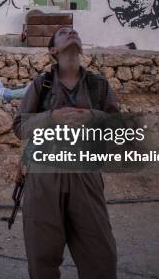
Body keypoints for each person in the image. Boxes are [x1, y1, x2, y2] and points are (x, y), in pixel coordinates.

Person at [13, 27, 119, 279]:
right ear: (53, 50)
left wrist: (93, 116)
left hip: (85, 175)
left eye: (74, 32)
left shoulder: (98, 86)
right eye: (62, 33)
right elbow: (20, 126)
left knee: (100, 256)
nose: (71, 32)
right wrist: (51, 118)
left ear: (82, 47)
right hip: (44, 177)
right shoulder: (42, 85)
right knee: (42, 257)